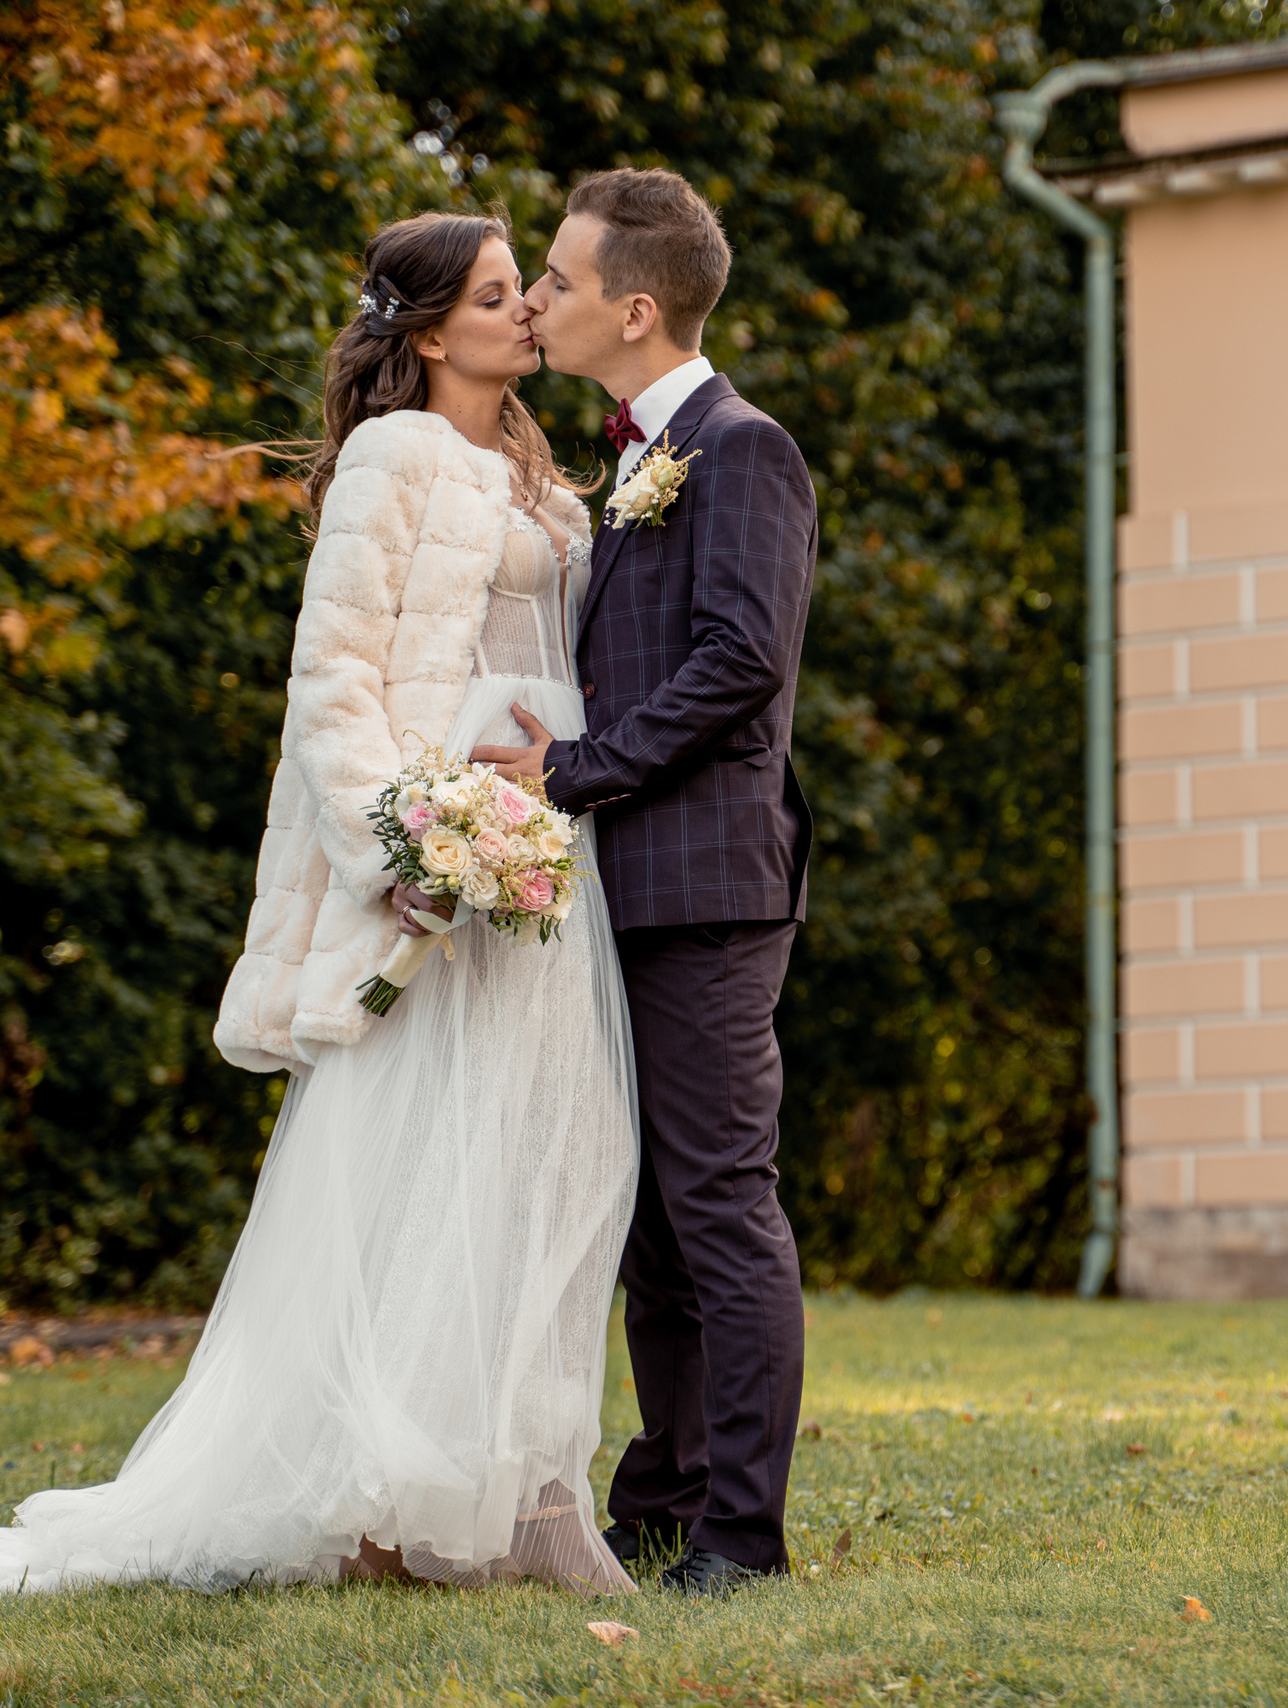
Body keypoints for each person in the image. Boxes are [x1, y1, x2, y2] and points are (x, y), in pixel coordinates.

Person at [0, 209, 643, 1597]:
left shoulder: (543, 473)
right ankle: (374, 1502)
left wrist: (533, 818)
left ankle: (521, 1487)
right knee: (419, 1174)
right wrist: (412, 845)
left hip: (542, 857)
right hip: (438, 869)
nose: (527, 308)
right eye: (493, 293)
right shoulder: (392, 459)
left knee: (548, 1163)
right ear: (425, 334)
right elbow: (334, 686)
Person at [472, 167, 818, 1598]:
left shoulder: (743, 451)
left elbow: (743, 663)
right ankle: (664, 1506)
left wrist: (578, 770)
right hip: (631, 884)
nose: (534, 300)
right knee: (657, 1221)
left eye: (551, 280)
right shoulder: (629, 465)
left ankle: (741, 1534)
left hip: (712, 885)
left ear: (634, 306)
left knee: (722, 1204)